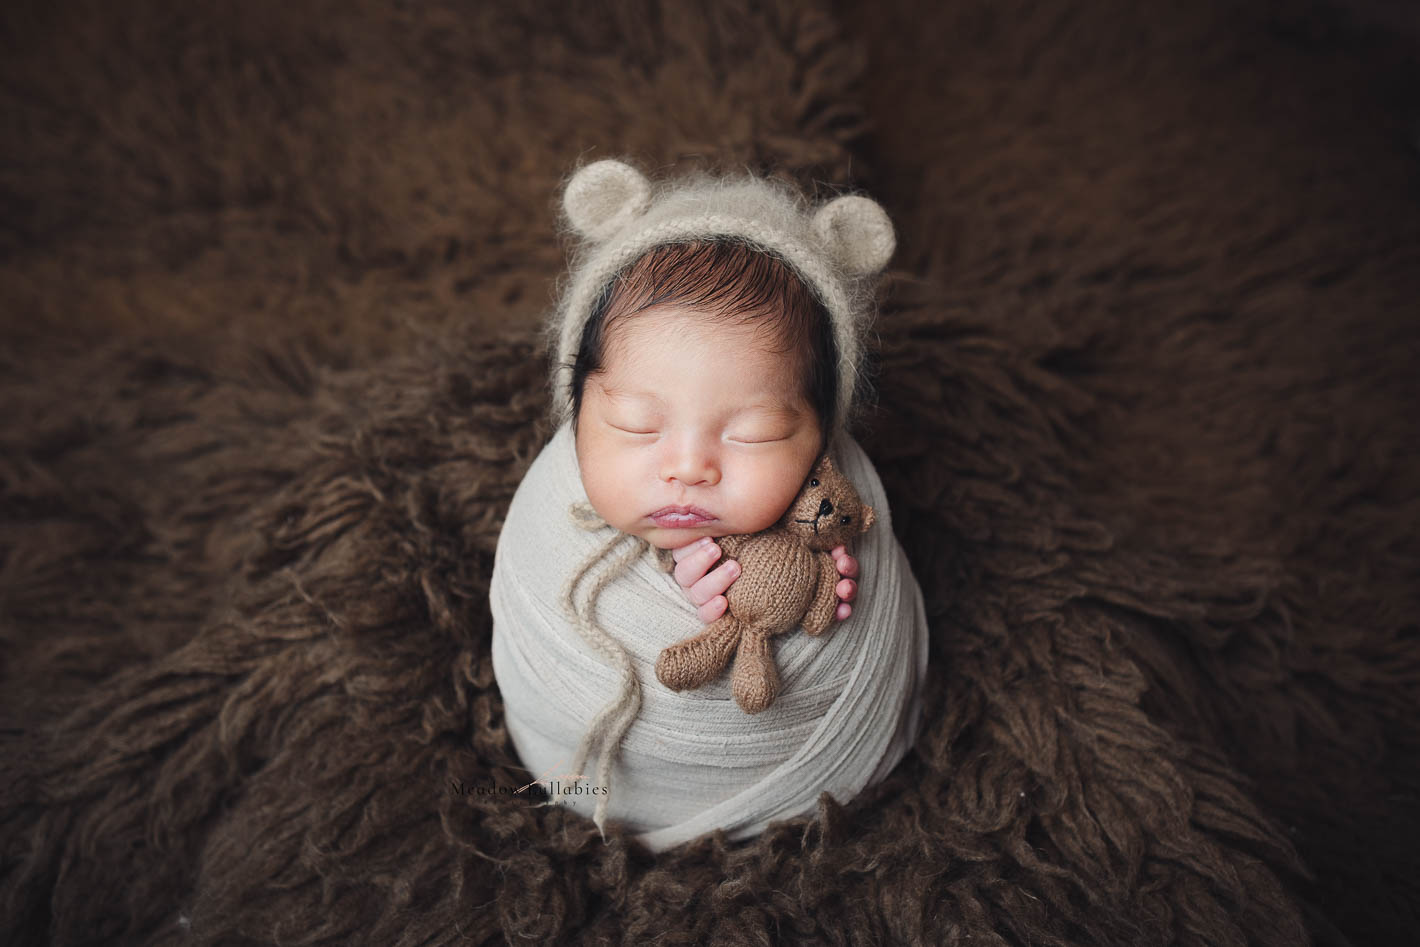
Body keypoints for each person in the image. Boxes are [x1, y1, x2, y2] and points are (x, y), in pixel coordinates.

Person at [489, 158, 930, 852]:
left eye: (754, 433)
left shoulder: (837, 505)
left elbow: (839, 596)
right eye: (636, 424)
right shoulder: (553, 510)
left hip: (815, 793)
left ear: (822, 437)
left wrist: (825, 582)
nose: (689, 467)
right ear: (577, 411)